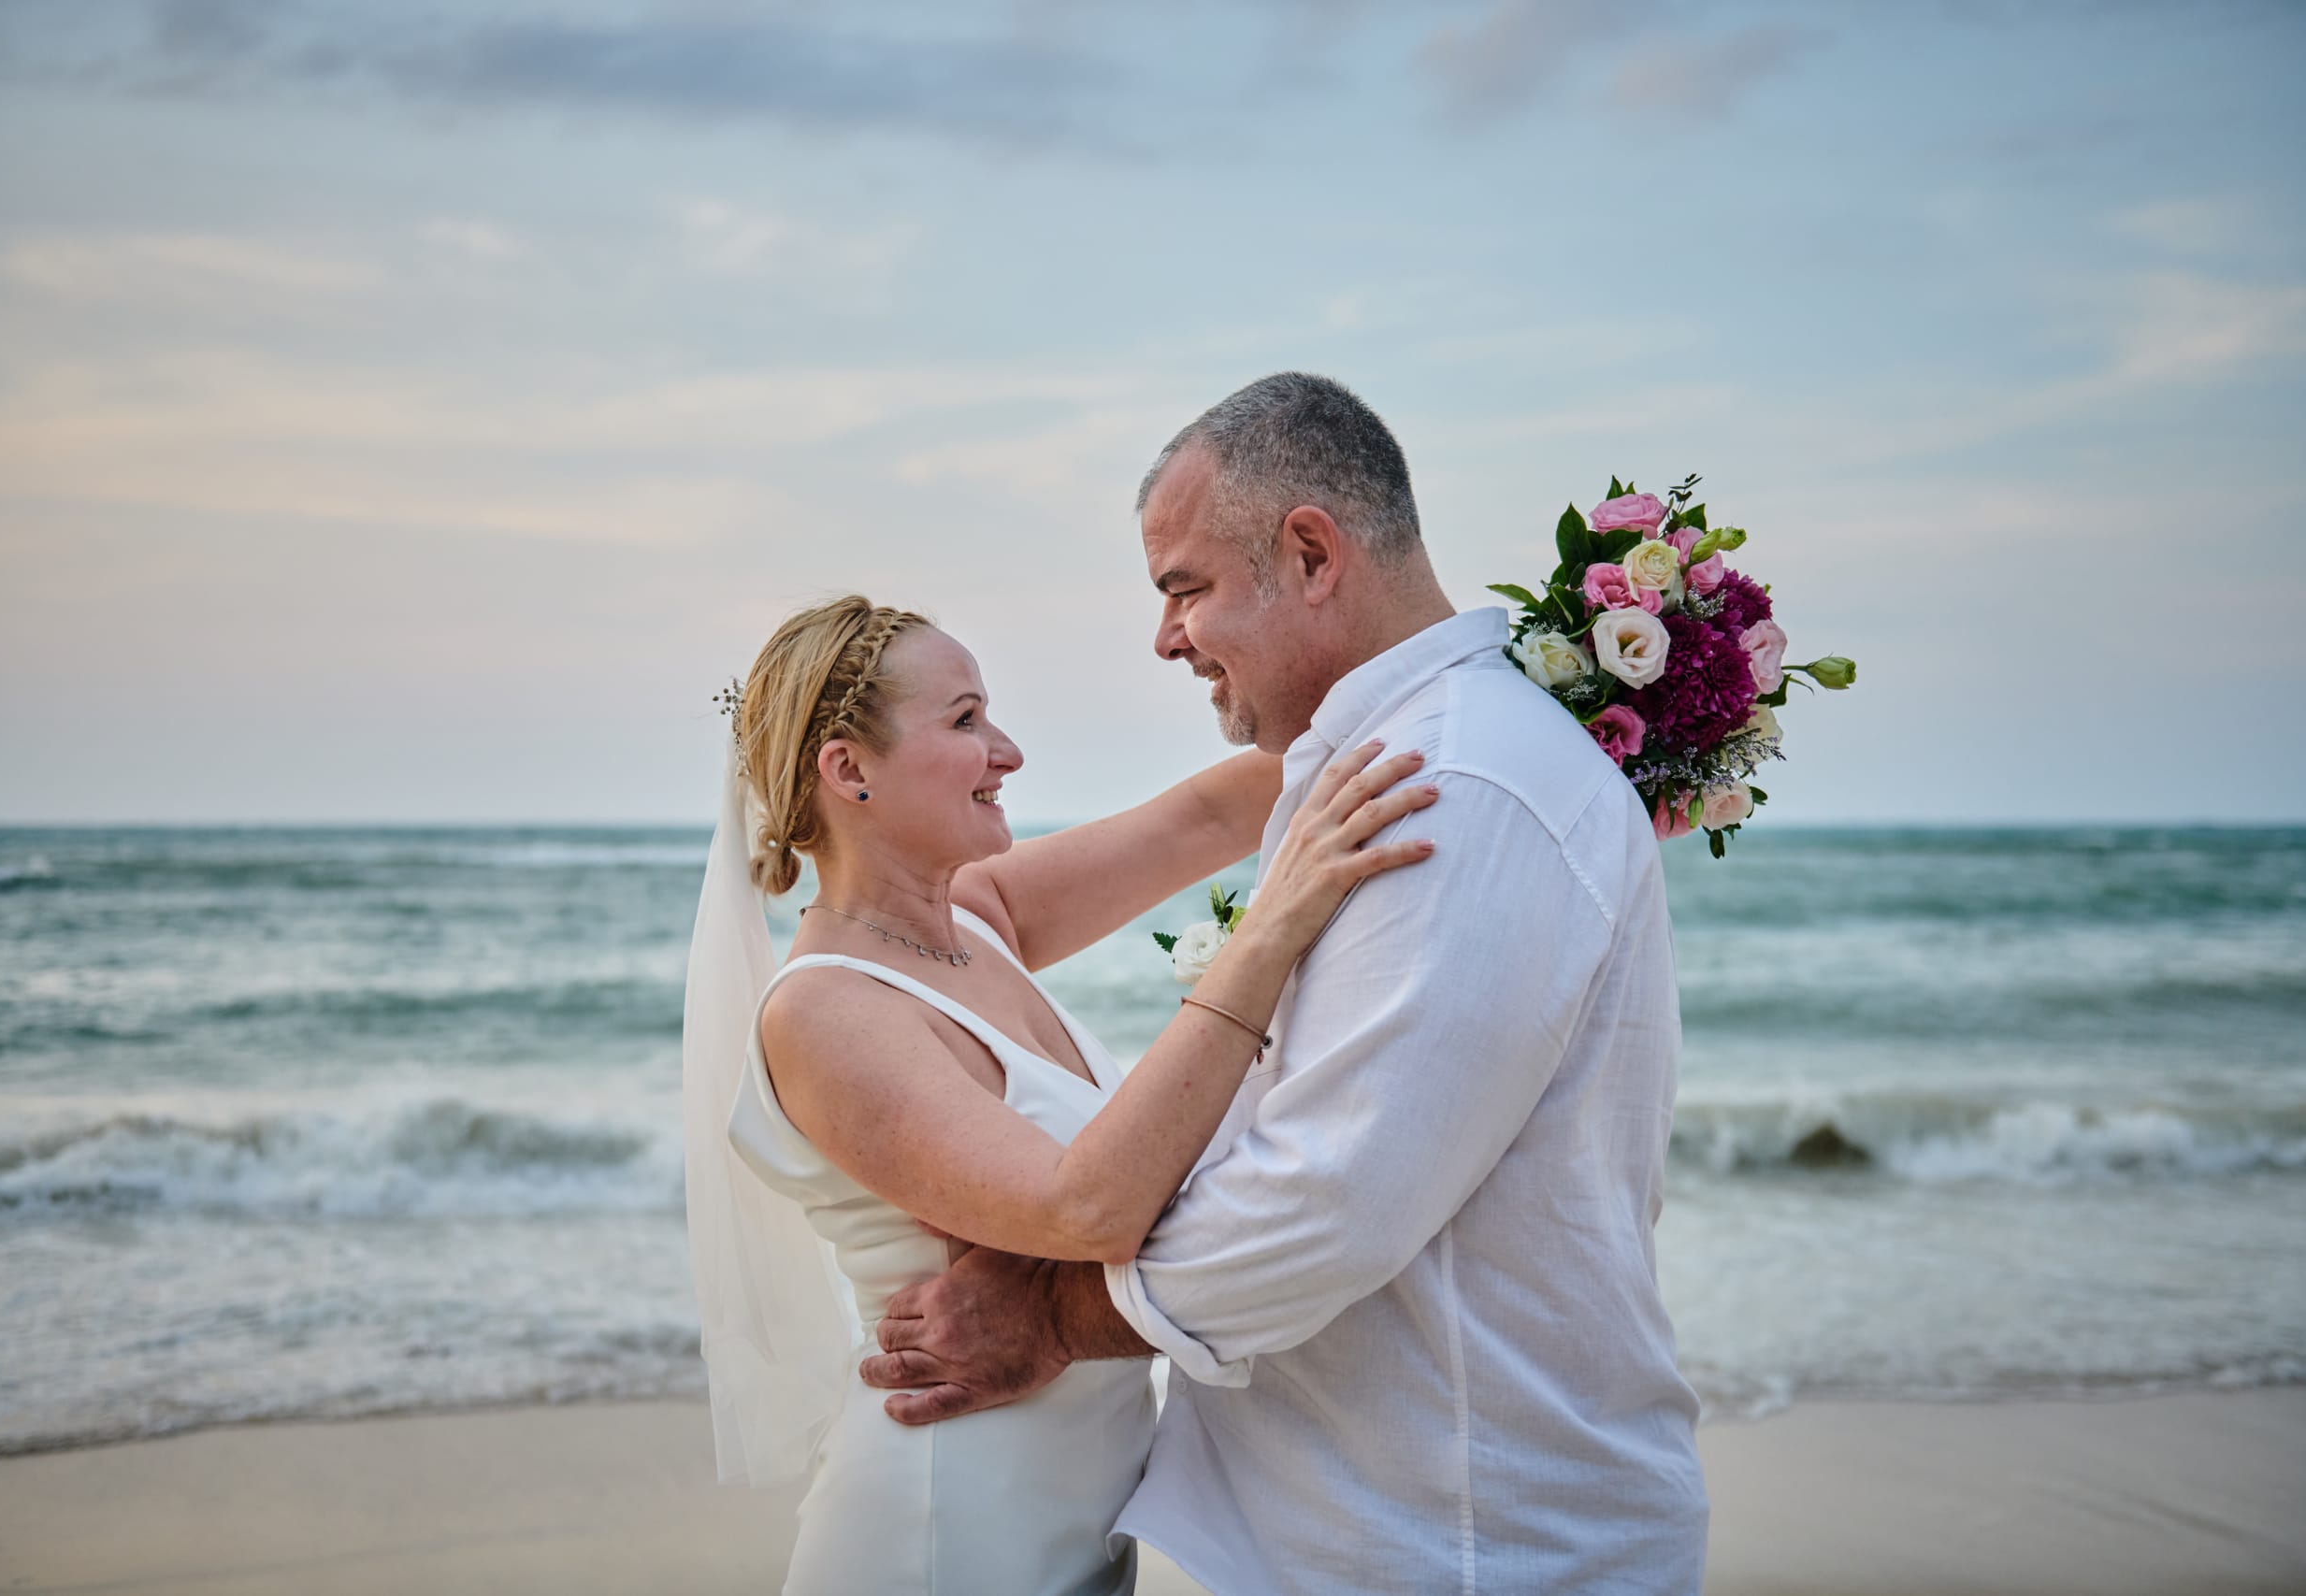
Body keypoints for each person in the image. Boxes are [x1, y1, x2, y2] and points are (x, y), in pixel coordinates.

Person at [859, 373, 1711, 1594]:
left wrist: (1049, 1319)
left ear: (1311, 554)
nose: (1166, 638)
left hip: (1465, 1546)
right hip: (1390, 1529)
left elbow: (1322, 1202)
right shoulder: (1400, 763)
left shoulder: (1455, 787)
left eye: (1185, 588)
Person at [681, 593, 1441, 1594]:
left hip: (1074, 1510)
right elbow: (1086, 1208)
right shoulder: (826, 1011)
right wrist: (1271, 930)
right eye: (965, 720)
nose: (1008, 751)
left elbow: (1213, 814)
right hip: (947, 1525)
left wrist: (1521, 683)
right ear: (848, 769)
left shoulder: (976, 918)